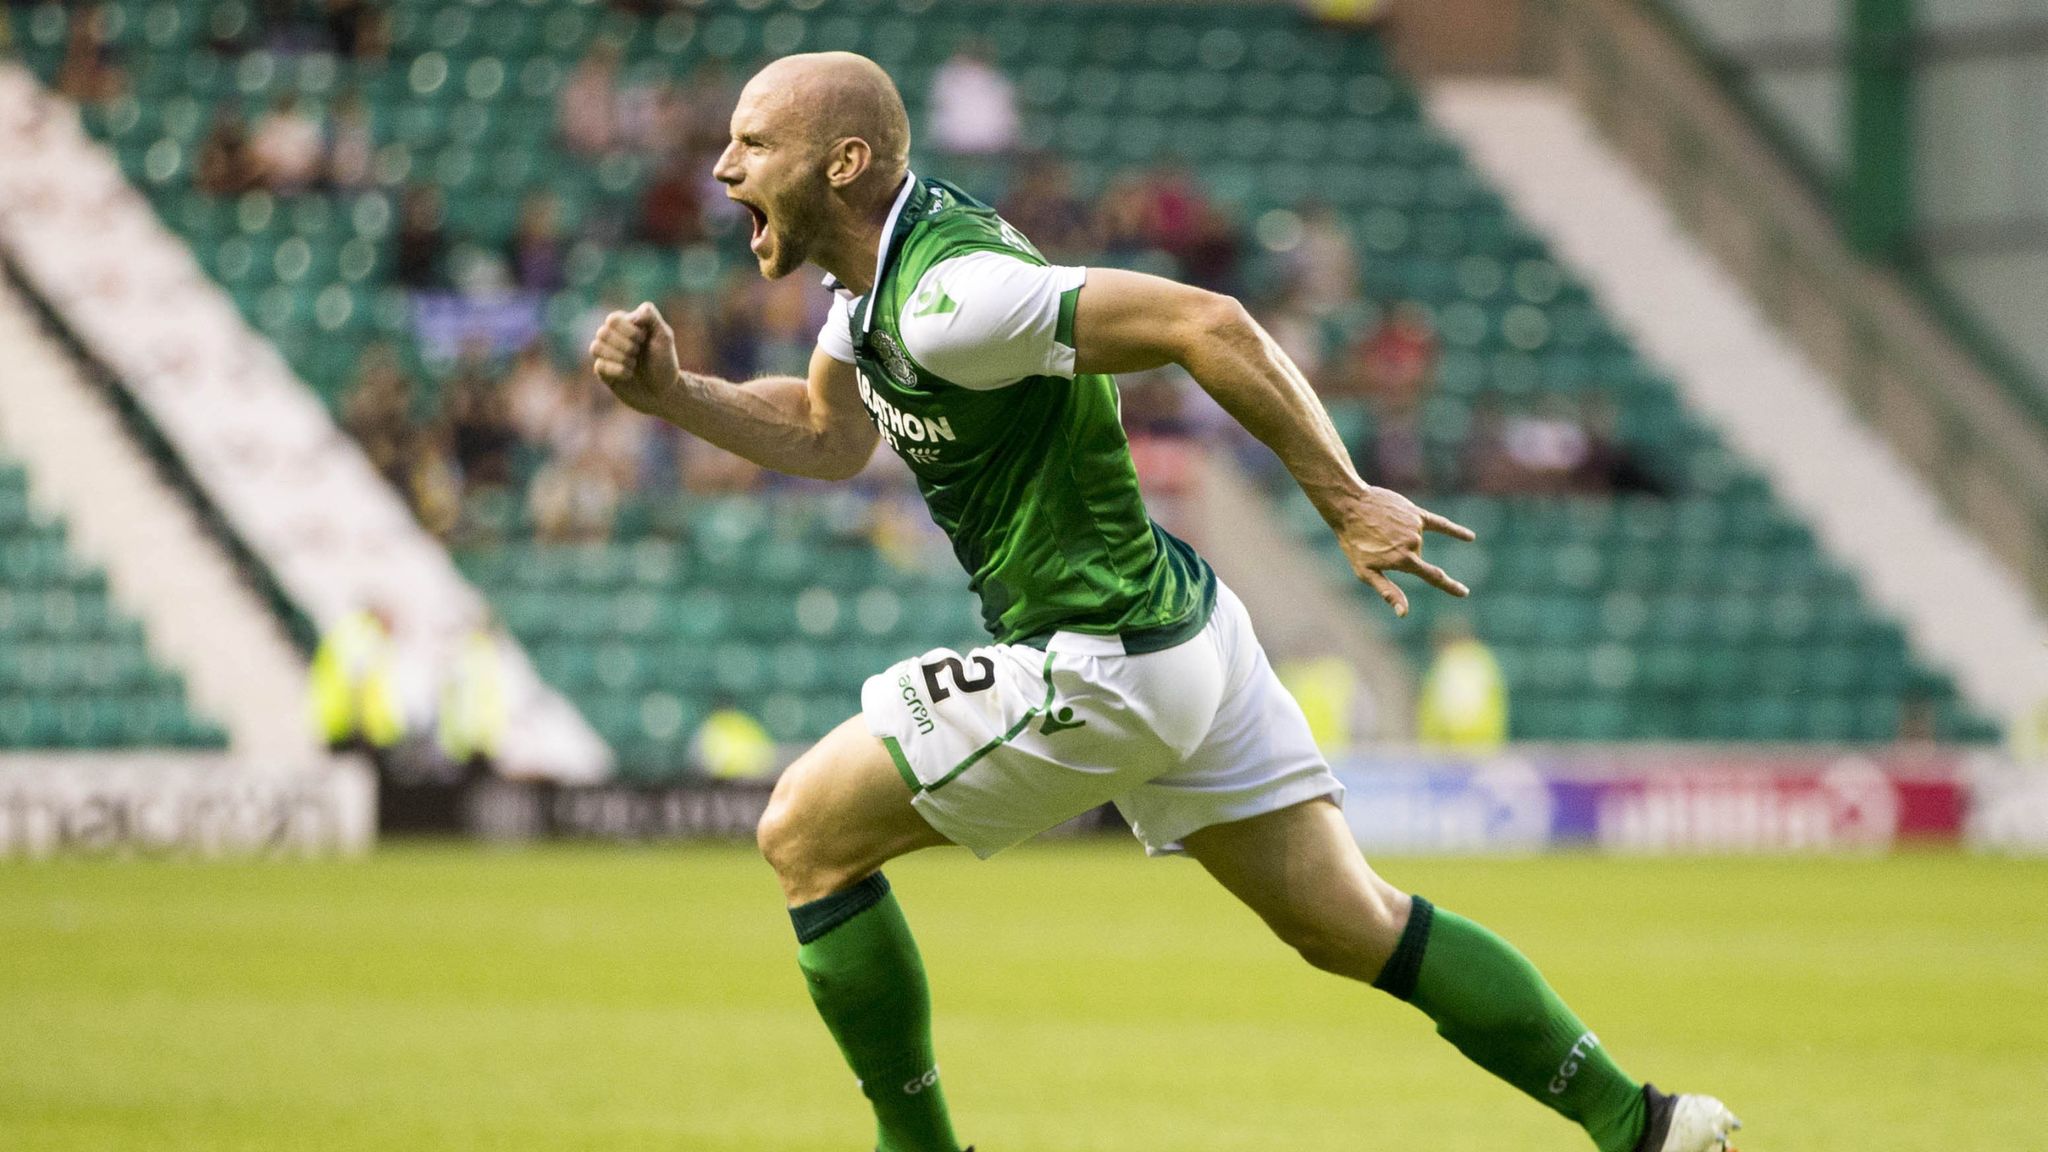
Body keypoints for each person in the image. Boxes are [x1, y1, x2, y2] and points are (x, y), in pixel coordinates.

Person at [588, 52, 1739, 1152]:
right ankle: (1641, 1122)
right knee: (1349, 923)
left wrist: (1341, 497)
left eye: (751, 142)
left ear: (841, 163)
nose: (723, 168)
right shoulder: (871, 287)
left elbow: (1208, 322)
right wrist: (676, 393)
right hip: (1184, 631)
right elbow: (828, 436)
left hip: (1103, 659)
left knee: (803, 833)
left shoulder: (951, 298)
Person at [1416, 615, 1508, 750]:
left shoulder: (1447, 666)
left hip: (1459, 749)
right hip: (1476, 748)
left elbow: (1432, 711)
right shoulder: (1483, 661)